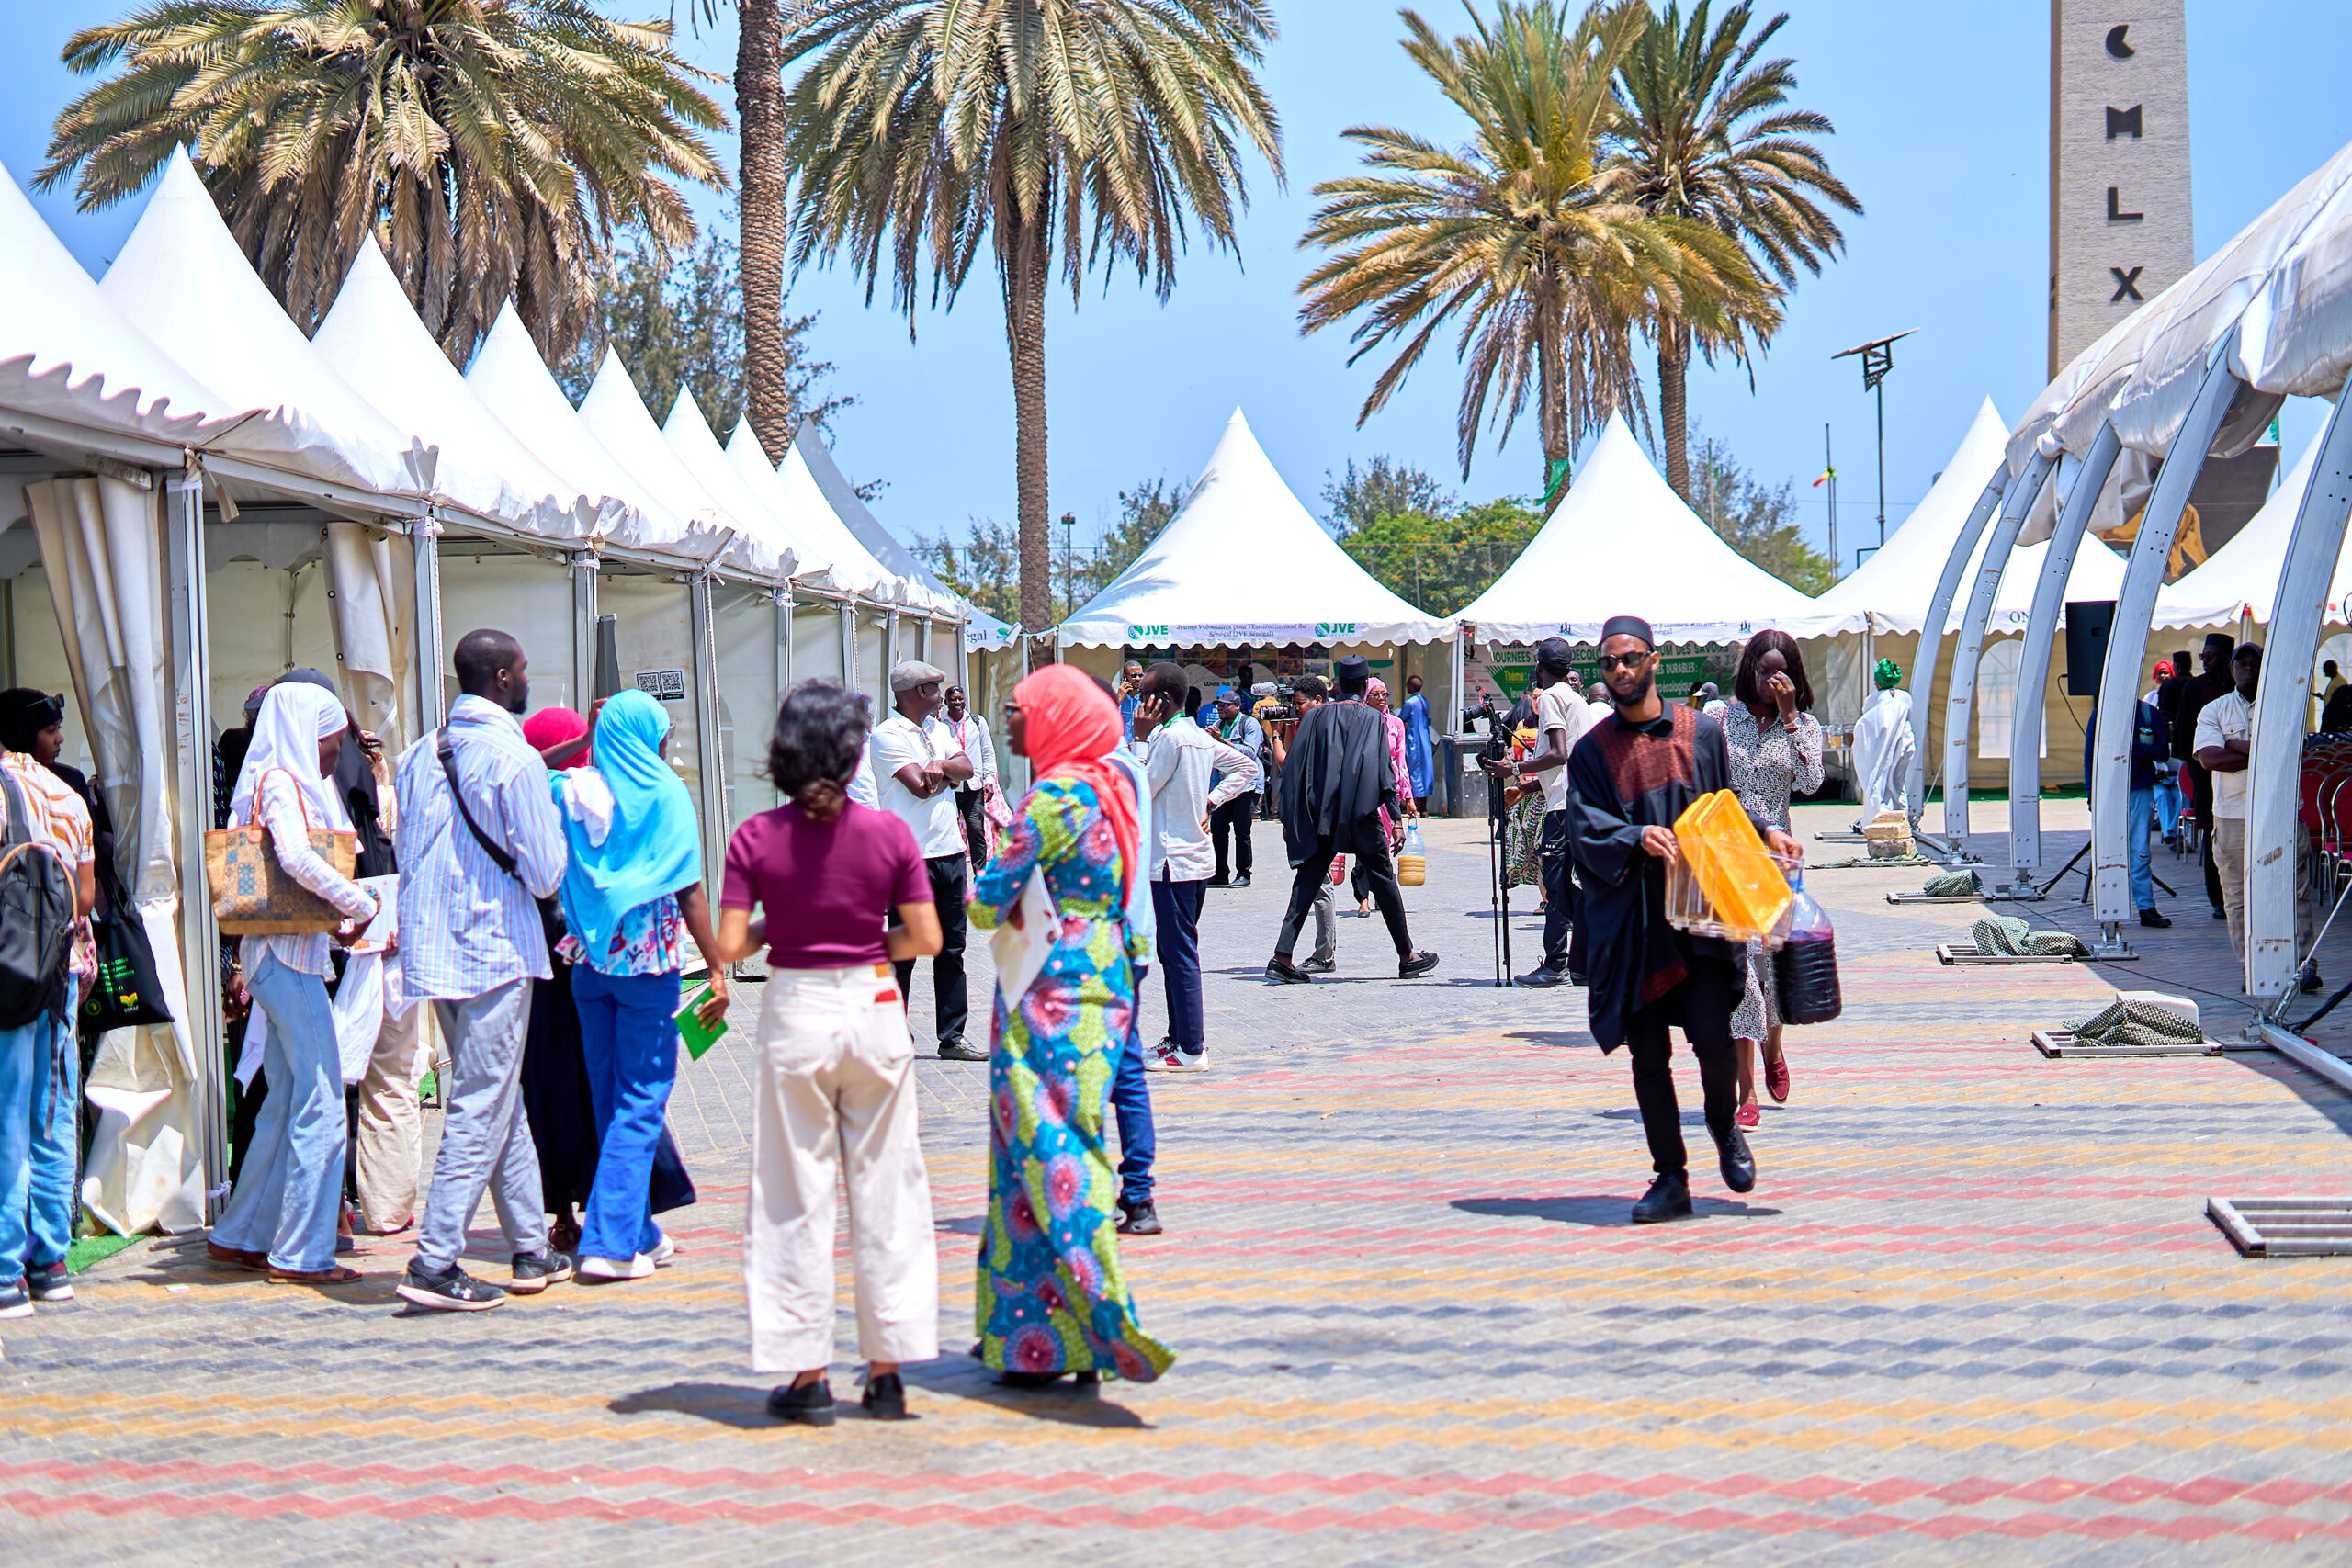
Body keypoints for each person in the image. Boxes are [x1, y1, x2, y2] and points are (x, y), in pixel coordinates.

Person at [713, 682, 942, 1425]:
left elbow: (730, 943)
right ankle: (889, 1369)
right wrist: (861, 940)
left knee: (793, 1189)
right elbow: (926, 937)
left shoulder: (755, 836)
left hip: (797, 1012)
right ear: (851, 754)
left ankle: (806, 1370)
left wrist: (785, 926)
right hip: (874, 1006)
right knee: (889, 1185)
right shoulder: (889, 834)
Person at [967, 665, 1175, 1387]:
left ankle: (1097, 1321)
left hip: (1048, 992)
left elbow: (986, 903)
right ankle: (1056, 1340)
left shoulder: (1055, 797)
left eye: (1020, 711)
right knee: (1061, 1140)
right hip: (1106, 977)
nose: (1011, 724)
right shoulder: (1111, 785)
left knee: (1045, 1153)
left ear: (1057, 718)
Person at [1568, 616, 1800, 1224]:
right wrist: (1633, 835)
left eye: (1630, 658)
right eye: (1609, 662)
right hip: (1636, 927)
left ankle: (1724, 1125)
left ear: (1653, 660)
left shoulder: (1702, 734)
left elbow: (1723, 809)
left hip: (1700, 918)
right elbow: (1583, 828)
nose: (1620, 669)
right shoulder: (1592, 752)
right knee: (1648, 1057)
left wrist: (1765, 830)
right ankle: (1670, 1176)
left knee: (1715, 1042)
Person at [393, 629, 573, 1311]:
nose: (527, 679)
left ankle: (530, 1246)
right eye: (522, 669)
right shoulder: (513, 757)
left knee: (498, 1095)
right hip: (494, 945)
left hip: (436, 946)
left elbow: (406, 847)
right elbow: (546, 870)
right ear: (501, 678)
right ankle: (435, 1260)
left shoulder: (419, 753)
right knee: (481, 1099)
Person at [548, 691, 729, 1283]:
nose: (666, 742)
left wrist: (584, 741)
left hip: (588, 964)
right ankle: (611, 1245)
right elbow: (690, 890)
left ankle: (640, 1229)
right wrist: (717, 968)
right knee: (642, 1098)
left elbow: (528, 770)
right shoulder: (665, 792)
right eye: (662, 732)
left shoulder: (575, 790)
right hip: (648, 968)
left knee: (610, 1100)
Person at [204, 682, 380, 1287]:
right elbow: (298, 858)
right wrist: (359, 902)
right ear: (308, 734)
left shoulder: (275, 778)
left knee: (282, 1104)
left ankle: (242, 1234)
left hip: (281, 958)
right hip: (287, 962)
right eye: (331, 741)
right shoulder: (282, 782)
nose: (336, 754)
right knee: (321, 1101)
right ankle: (303, 1250)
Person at [0, 690, 98, 1314]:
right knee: (51, 1112)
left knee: (6, 1113)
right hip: (58, 972)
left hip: (7, 974)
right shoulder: (68, 796)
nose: (59, 738)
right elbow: (85, 897)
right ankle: (50, 1262)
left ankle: (4, 1269)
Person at [1265, 656, 1438, 984]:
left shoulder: (1315, 717)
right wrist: (1396, 819)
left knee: (1307, 881)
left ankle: (1282, 957)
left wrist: (1291, 817)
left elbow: (1295, 767)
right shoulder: (1373, 719)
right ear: (1364, 685)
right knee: (1384, 881)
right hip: (1361, 813)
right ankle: (1407, 957)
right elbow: (1384, 772)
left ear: (1338, 685)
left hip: (1322, 816)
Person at [1717, 631, 1825, 1129]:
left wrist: (1789, 716)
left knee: (1775, 972)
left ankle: (1773, 1048)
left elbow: (1812, 782)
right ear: (1750, 671)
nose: (1770, 680)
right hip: (1729, 860)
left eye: (1780, 672)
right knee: (1740, 975)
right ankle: (1746, 1090)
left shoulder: (1804, 725)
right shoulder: (1723, 719)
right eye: (1763, 671)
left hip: (1778, 863)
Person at [1133, 663, 1261, 1072]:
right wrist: (1210, 800)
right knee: (1172, 953)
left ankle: (1191, 1048)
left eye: (1144, 694)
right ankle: (1178, 1038)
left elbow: (1139, 791)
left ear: (1162, 700)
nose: (1138, 701)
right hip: (1189, 859)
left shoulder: (1171, 738)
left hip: (1174, 863)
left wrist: (1138, 741)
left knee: (1179, 954)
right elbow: (1245, 767)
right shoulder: (1194, 736)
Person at [868, 661, 981, 1061]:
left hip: (949, 852)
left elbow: (968, 769)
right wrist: (945, 774)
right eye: (935, 689)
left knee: (952, 950)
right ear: (918, 692)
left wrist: (943, 767)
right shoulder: (887, 735)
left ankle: (952, 1037)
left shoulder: (939, 729)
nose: (942, 697)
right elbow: (919, 787)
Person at [2196, 642, 2316, 987]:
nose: (2249, 667)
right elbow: (2210, 758)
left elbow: (2290, 752)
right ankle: (2251, 966)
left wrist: (2234, 745)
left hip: (2282, 814)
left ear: (2266, 669)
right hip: (2233, 817)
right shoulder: (2215, 710)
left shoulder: (2284, 708)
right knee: (2238, 898)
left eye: (2255, 662)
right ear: (2232, 669)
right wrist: (2264, 750)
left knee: (2293, 893)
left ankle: (2303, 964)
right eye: (2242, 662)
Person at [1480, 639, 1596, 987]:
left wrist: (1514, 769)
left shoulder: (1550, 698)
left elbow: (1559, 753)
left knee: (1557, 886)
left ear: (1539, 668)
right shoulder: (1576, 699)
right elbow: (1568, 762)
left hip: (1563, 808)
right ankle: (1582, 964)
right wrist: (1526, 788)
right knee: (1575, 887)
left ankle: (1556, 964)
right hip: (1579, 801)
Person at [1264, 678, 1343, 972]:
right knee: (1316, 884)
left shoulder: (1321, 727)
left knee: (1319, 885)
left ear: (1318, 701)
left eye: (1299, 704)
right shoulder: (1312, 725)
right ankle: (1304, 953)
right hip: (1311, 816)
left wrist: (1275, 736)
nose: (1295, 709)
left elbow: (1288, 766)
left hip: (1318, 819)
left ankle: (1322, 954)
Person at [2172, 633, 2235, 917]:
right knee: (2213, 835)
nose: (2205, 661)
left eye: (2210, 656)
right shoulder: (2195, 688)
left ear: (2226, 658)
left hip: (2237, 777)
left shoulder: (2240, 687)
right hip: (2206, 775)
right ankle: (2218, 899)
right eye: (2203, 656)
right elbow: (2184, 739)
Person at [1206, 689, 1264, 887]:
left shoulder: (1249, 723)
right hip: (1224, 785)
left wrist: (1223, 741)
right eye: (1218, 705)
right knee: (1218, 829)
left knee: (1242, 830)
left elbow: (1251, 752)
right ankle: (1220, 873)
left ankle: (1244, 873)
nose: (1220, 708)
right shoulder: (1217, 725)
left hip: (1246, 784)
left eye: (1225, 705)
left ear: (1237, 707)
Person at [1852, 658, 1916, 824]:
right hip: (1904, 745)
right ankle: (1903, 819)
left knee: (1879, 780)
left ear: (1878, 682)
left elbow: (1869, 724)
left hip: (1882, 748)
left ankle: (1881, 817)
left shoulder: (1874, 699)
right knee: (1898, 784)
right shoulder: (1906, 697)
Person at [940, 684, 998, 868]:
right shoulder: (940, 725)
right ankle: (955, 874)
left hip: (974, 788)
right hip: (951, 789)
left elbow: (987, 752)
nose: (957, 702)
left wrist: (989, 780)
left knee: (976, 831)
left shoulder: (977, 722)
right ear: (946, 702)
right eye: (953, 700)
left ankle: (980, 874)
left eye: (960, 699)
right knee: (950, 831)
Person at [1401, 673, 1436, 814]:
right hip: (1425, 742)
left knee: (1413, 773)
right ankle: (1424, 808)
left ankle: (1414, 807)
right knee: (1425, 772)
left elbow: (1400, 719)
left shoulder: (1409, 703)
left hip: (1413, 743)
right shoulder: (1424, 701)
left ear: (1411, 687)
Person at [1117, 661, 1145, 748]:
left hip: (1140, 748)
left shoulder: (1145, 699)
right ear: (1125, 677)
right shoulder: (1117, 699)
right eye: (1133, 675)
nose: (1138, 679)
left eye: (1140, 675)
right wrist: (1118, 700)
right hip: (1121, 749)